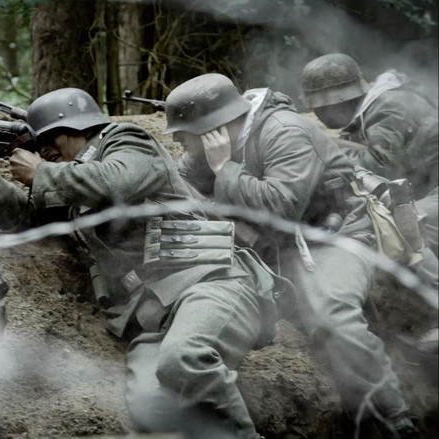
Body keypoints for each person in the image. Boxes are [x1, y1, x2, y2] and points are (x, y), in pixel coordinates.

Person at [0, 87, 295, 439]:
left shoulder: (126, 140)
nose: (43, 150)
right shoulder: (74, 181)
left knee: (186, 357)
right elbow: (21, 218)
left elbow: (119, 180)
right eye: (38, 144)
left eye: (50, 139)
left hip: (209, 284)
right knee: (151, 406)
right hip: (152, 317)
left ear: (81, 128)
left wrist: (42, 173)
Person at [165, 73, 420, 438]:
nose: (179, 142)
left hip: (340, 235)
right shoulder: (216, 144)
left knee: (332, 314)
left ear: (212, 129)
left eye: (183, 134)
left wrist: (226, 170)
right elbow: (178, 180)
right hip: (284, 247)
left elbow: (281, 207)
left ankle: (391, 420)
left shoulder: (284, 131)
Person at [301, 53, 438, 256]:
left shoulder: (389, 108)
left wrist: (324, 150)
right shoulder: (375, 107)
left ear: (338, 101)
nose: (315, 112)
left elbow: (381, 169)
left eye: (319, 106)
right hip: (426, 186)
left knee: (397, 230)